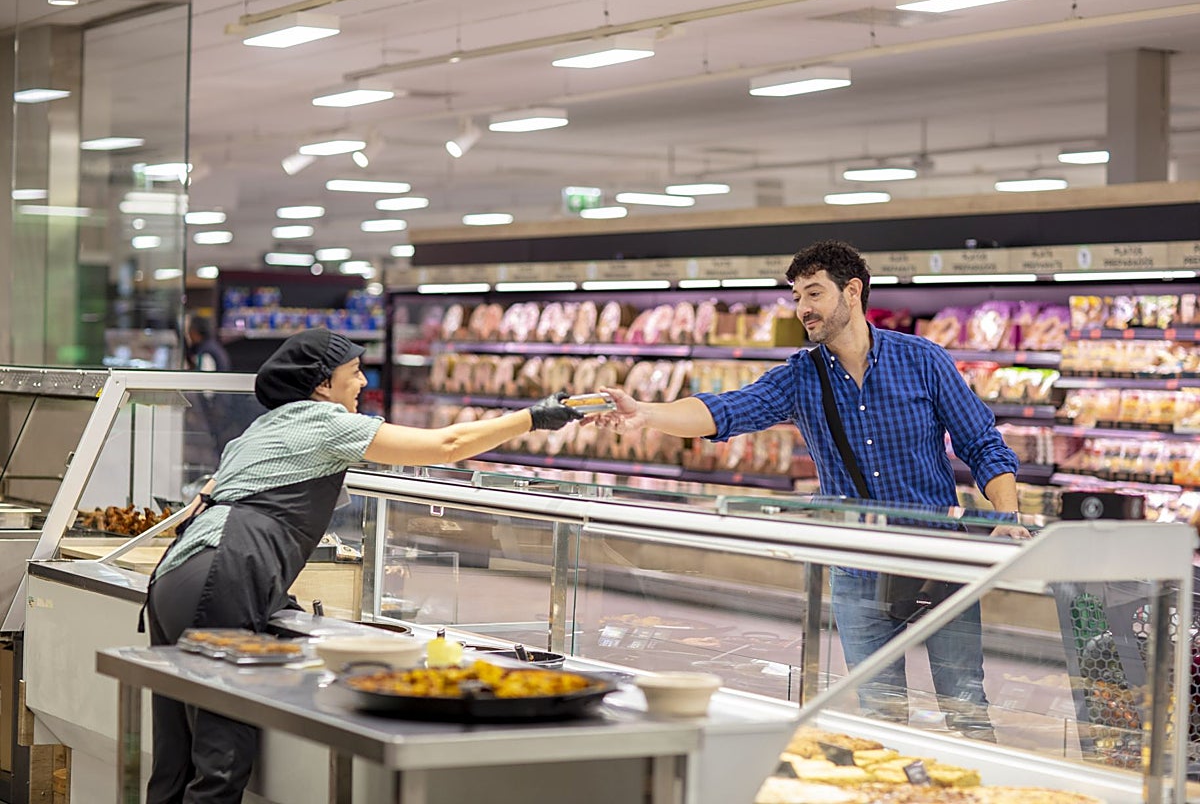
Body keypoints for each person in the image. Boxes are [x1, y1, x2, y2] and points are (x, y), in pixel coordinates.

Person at [594, 240, 1029, 738]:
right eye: (798, 296)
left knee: (966, 704)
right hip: (857, 568)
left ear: (853, 291)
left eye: (814, 293)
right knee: (880, 713)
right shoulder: (802, 376)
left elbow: (982, 444)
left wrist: (1008, 515)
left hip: (939, 561)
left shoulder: (923, 360)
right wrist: (645, 413)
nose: (803, 308)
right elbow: (725, 410)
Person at [143, 328, 582, 803]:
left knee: (174, 759)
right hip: (224, 572)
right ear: (321, 385)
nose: (362, 383)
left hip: (175, 577)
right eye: (353, 373)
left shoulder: (264, 427)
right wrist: (533, 417)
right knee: (220, 759)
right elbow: (448, 445)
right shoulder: (325, 421)